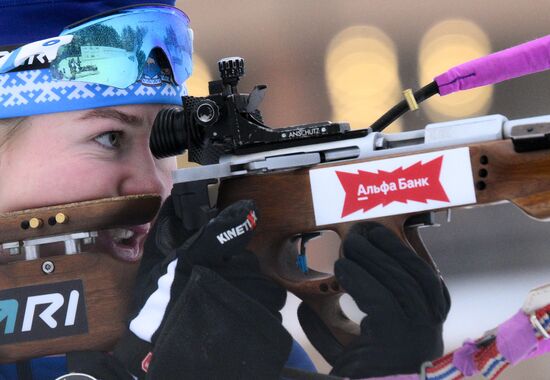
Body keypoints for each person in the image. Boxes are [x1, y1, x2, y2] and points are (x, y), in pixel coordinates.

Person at [0, 1, 450, 379]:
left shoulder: (199, 315)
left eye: (164, 145)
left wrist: (397, 371)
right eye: (110, 138)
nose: (156, 184)